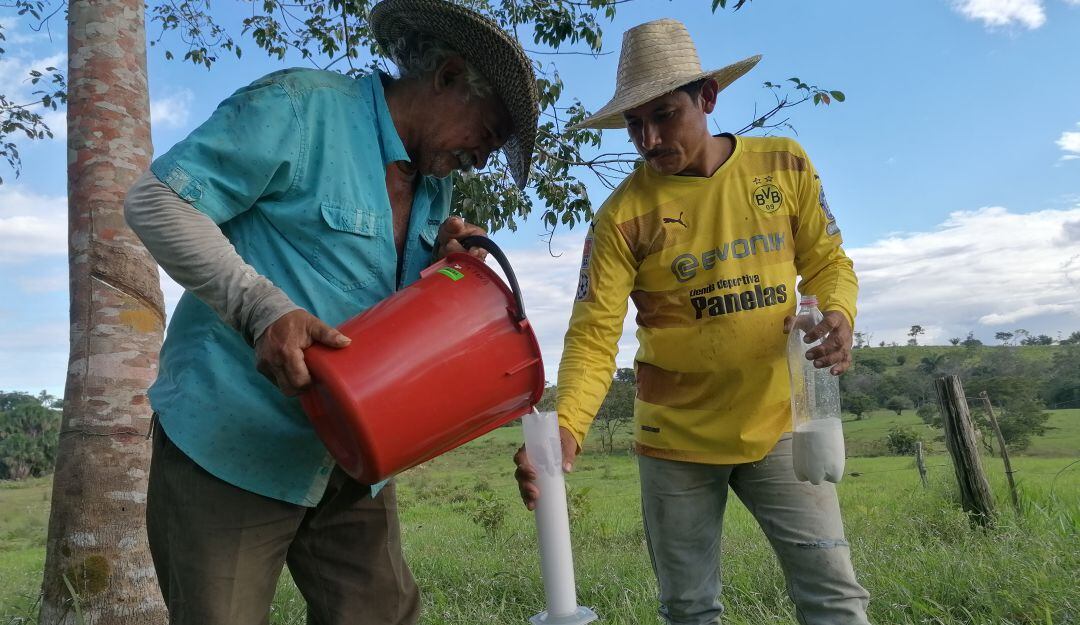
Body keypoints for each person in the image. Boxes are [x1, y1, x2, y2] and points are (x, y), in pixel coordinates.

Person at [123, 1, 538, 623]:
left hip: (350, 451)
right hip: (233, 442)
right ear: (448, 77)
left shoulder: (433, 185)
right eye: (491, 129)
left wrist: (448, 268)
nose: (486, 154)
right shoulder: (301, 108)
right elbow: (157, 202)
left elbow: (380, 307)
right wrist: (261, 308)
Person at [513, 18, 870, 625]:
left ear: (707, 98)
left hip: (780, 425)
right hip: (674, 442)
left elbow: (828, 263)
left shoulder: (783, 165)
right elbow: (594, 335)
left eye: (664, 115)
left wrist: (838, 313)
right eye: (634, 123)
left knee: (833, 594)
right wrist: (568, 426)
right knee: (688, 608)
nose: (648, 139)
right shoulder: (621, 218)